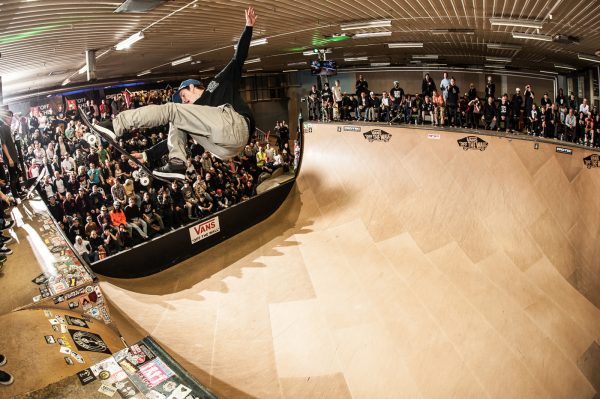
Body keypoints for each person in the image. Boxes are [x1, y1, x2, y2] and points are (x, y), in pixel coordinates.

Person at [95, 7, 258, 181]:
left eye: (183, 96)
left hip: (236, 126)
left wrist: (248, 27)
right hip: (225, 150)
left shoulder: (217, 84)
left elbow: (238, 58)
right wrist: (148, 155)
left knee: (174, 111)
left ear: (192, 87)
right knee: (177, 120)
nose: (184, 101)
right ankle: (177, 163)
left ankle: (116, 124)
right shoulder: (196, 114)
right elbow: (171, 141)